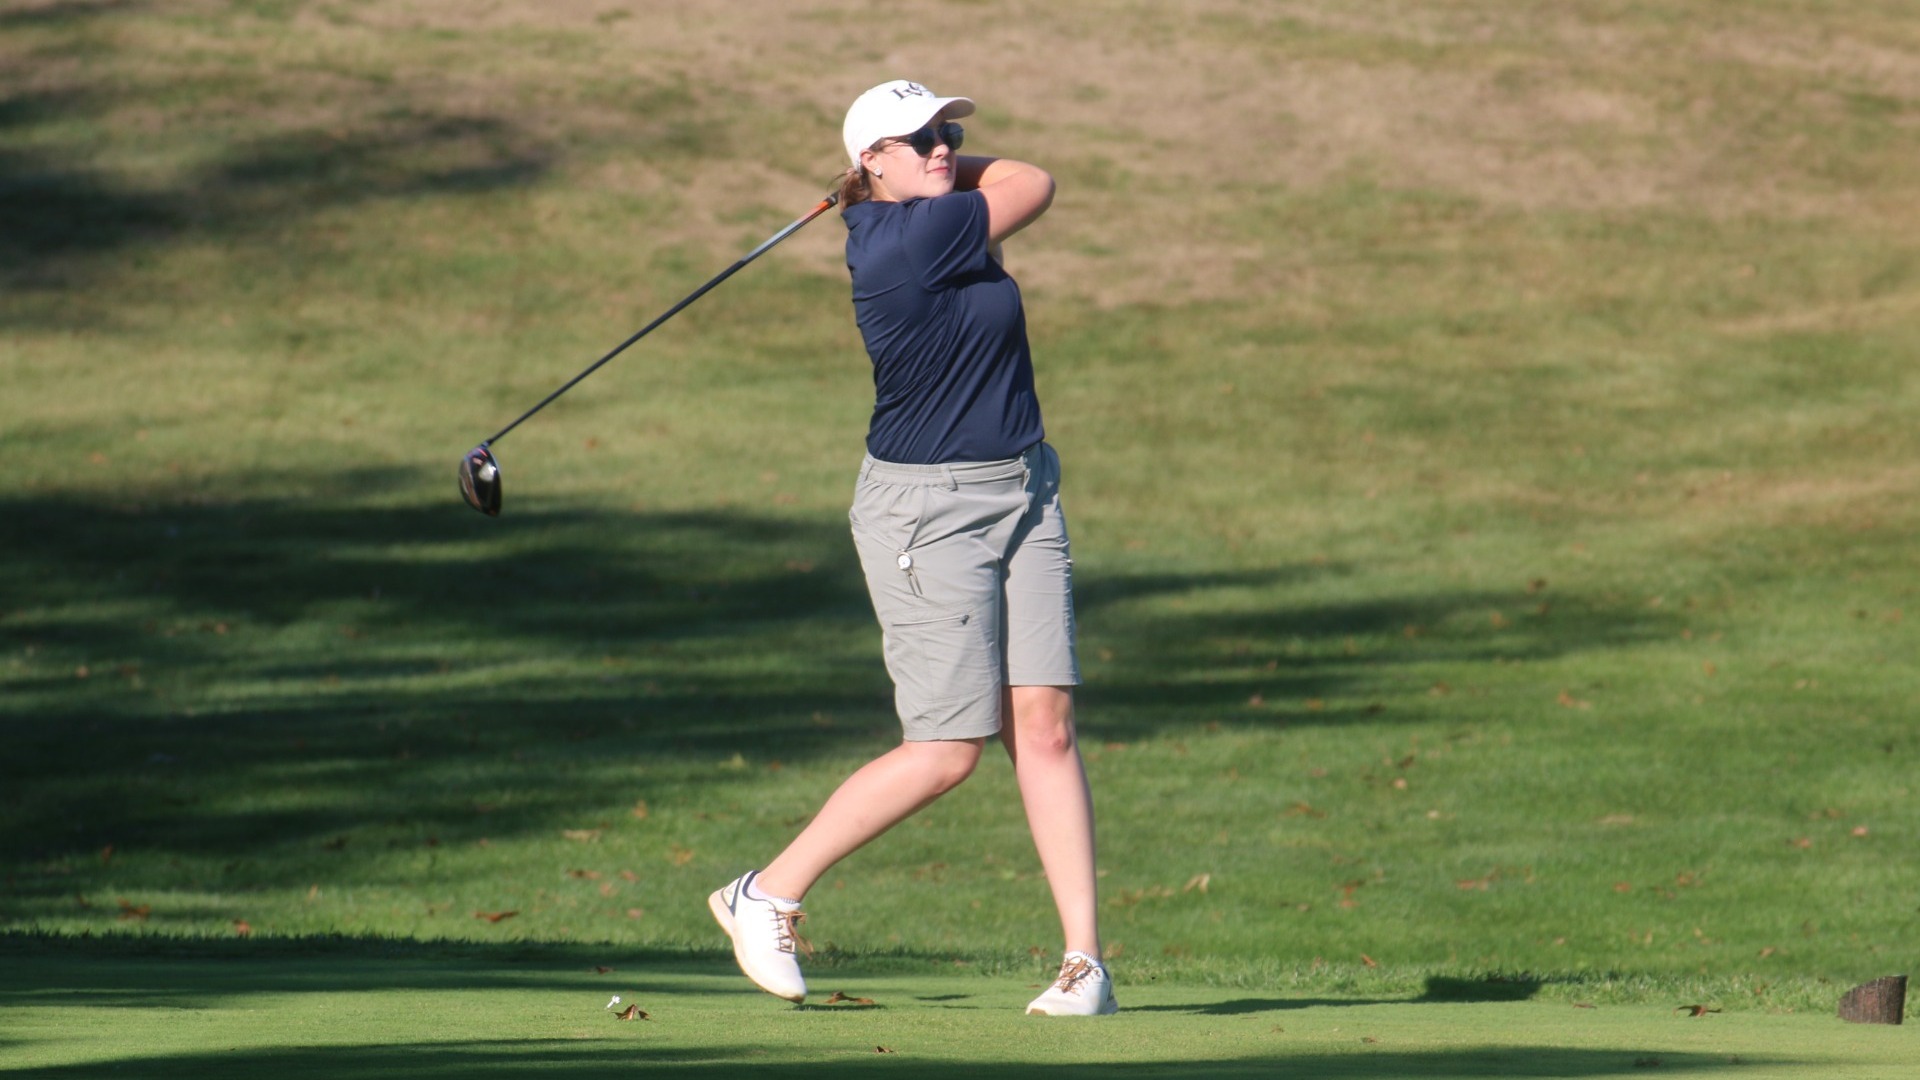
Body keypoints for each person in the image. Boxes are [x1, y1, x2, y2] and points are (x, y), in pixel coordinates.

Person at [707, 80, 1115, 1017]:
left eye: (948, 131)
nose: (942, 147)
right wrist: (918, 179)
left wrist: (909, 168)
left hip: (1025, 489)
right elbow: (1034, 180)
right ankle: (765, 892)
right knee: (946, 750)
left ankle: (1084, 965)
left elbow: (1001, 181)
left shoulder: (929, 215)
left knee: (1045, 726)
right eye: (917, 137)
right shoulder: (910, 239)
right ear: (870, 161)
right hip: (930, 515)